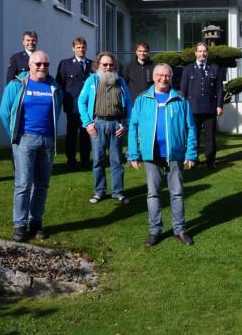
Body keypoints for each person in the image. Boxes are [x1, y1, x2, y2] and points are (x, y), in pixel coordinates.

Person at [127, 64, 198, 247]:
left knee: (177, 193)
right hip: (151, 155)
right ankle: (155, 231)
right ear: (153, 76)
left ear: (171, 77)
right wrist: (133, 154)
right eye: (159, 75)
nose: (163, 79)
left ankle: (179, 230)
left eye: (166, 76)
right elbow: (133, 127)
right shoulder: (142, 99)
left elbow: (190, 127)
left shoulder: (180, 99)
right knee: (153, 194)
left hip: (174, 154)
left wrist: (191, 153)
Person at [0, 51, 62, 242]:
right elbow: (4, 112)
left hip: (47, 141)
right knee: (23, 184)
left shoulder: (53, 86)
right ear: (30, 65)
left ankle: (36, 222)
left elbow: (56, 109)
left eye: (46, 64)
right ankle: (19, 224)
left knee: (42, 185)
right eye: (38, 64)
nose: (42, 67)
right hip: (25, 140)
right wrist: (14, 135)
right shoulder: (17, 84)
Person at [78, 52, 133, 204]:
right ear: (98, 65)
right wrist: (87, 123)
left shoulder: (120, 81)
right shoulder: (92, 80)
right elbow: (81, 101)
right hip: (98, 124)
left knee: (116, 160)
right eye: (105, 64)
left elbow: (128, 102)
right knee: (98, 160)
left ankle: (118, 192)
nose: (108, 67)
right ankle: (99, 191)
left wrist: (126, 123)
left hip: (117, 124)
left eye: (111, 64)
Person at [180, 42, 224, 168]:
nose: (202, 53)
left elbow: (219, 89)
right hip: (193, 108)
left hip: (210, 108)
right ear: (195, 53)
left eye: (204, 51)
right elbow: (183, 90)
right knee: (194, 135)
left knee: (210, 136)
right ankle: (193, 158)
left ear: (207, 53)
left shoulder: (215, 68)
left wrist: (219, 105)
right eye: (200, 51)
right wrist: (183, 107)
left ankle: (210, 160)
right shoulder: (188, 69)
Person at [56, 37, 93, 171]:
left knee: (85, 134)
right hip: (72, 106)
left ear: (86, 48)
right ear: (73, 49)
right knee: (71, 134)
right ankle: (71, 160)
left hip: (88, 106)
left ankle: (85, 161)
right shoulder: (65, 64)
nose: (81, 49)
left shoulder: (92, 64)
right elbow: (60, 84)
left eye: (83, 47)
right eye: (78, 47)